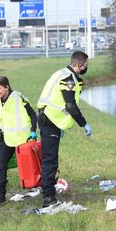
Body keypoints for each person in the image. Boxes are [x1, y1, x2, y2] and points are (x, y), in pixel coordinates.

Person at [36, 51, 92, 207]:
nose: (86, 67)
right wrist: (83, 123)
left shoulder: (63, 73)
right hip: (49, 120)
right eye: (86, 65)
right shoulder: (67, 79)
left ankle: (48, 191)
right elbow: (70, 105)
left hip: (50, 119)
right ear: (79, 65)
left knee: (50, 158)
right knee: (50, 160)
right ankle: (48, 198)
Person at [0, 76, 38, 206]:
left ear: (6, 87)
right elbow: (1, 119)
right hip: (7, 139)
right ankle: (0, 196)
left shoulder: (18, 97)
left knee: (32, 167)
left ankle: (44, 188)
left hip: (23, 140)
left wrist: (33, 131)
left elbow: (33, 115)